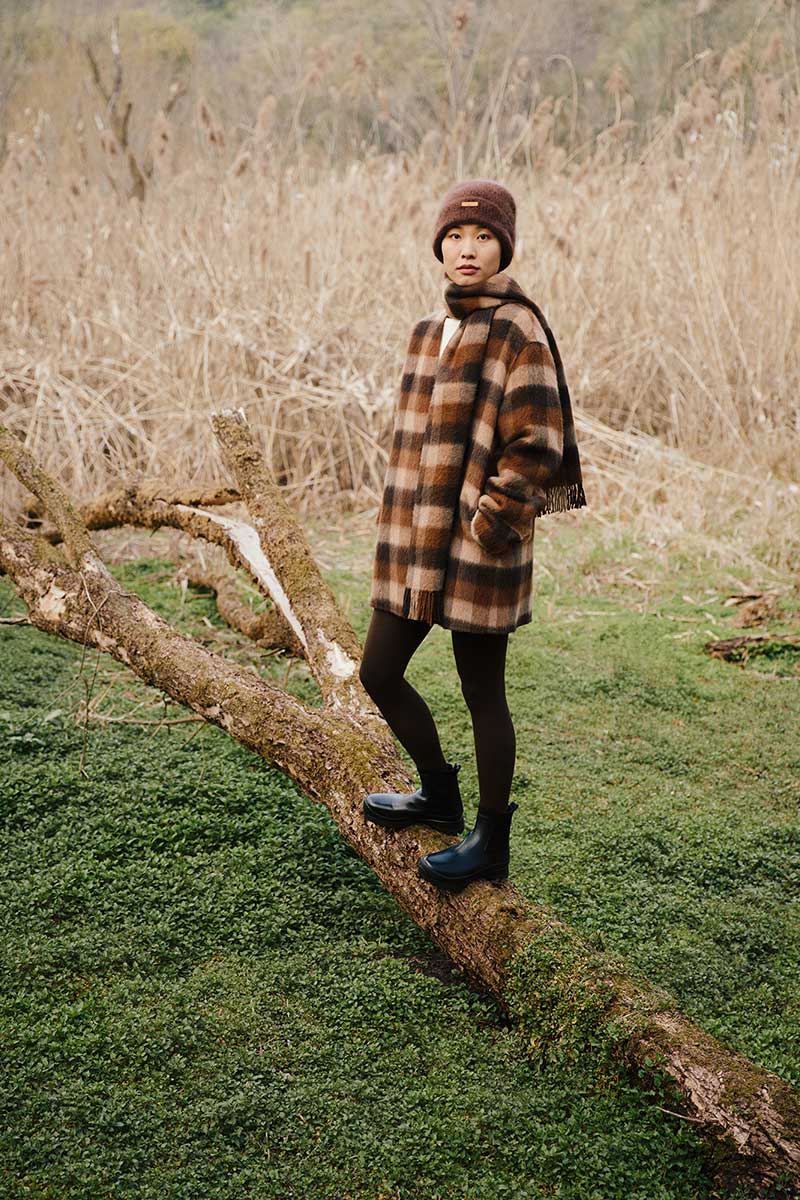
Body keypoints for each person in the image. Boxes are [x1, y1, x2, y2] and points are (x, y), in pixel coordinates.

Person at [359, 178, 586, 893]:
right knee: (378, 672)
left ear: (503, 247)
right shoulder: (428, 331)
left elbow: (538, 443)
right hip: (415, 543)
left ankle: (489, 840)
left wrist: (488, 521)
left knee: (482, 691)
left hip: (480, 547)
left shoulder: (518, 328)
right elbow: (412, 444)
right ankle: (438, 792)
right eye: (455, 236)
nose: (467, 249)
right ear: (439, 246)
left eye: (483, 236)